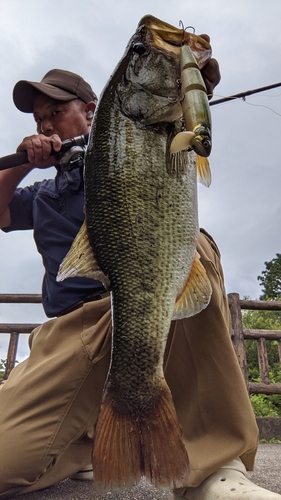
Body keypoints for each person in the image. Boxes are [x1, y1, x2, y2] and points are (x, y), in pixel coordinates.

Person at [0, 62, 279, 500]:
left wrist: (193, 81)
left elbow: (180, 121)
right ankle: (81, 445)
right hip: (68, 333)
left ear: (91, 111)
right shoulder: (42, 196)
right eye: (38, 120)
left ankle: (215, 467)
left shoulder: (137, 146)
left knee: (192, 248)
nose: (45, 124)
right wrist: (22, 161)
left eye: (55, 113)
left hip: (138, 303)